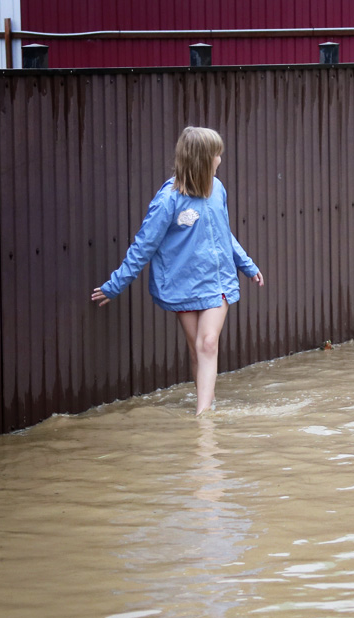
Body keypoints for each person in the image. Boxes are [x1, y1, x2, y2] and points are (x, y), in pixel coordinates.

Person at [91, 126, 264, 415]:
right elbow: (143, 245)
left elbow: (224, 233)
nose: (220, 159)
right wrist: (115, 285)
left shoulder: (217, 189)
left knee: (208, 342)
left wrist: (246, 264)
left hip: (216, 280)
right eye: (216, 154)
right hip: (182, 283)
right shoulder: (168, 200)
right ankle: (204, 402)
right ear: (201, 159)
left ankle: (203, 417)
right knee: (197, 348)